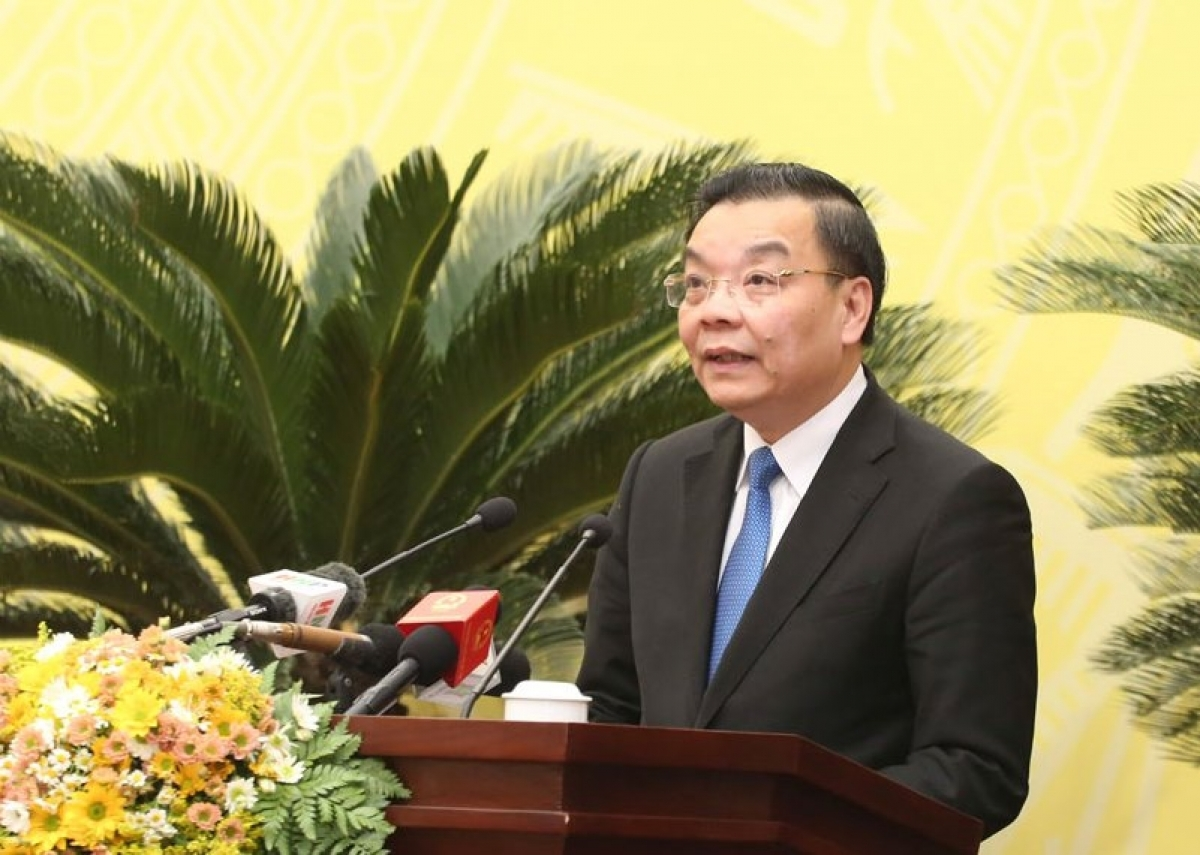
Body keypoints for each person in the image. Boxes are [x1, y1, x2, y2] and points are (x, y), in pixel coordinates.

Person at [575, 162, 1037, 838]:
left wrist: (765, 829)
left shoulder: (954, 498)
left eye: (760, 280)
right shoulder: (660, 475)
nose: (715, 311)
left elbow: (974, 769)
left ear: (852, 308)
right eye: (696, 284)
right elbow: (611, 707)